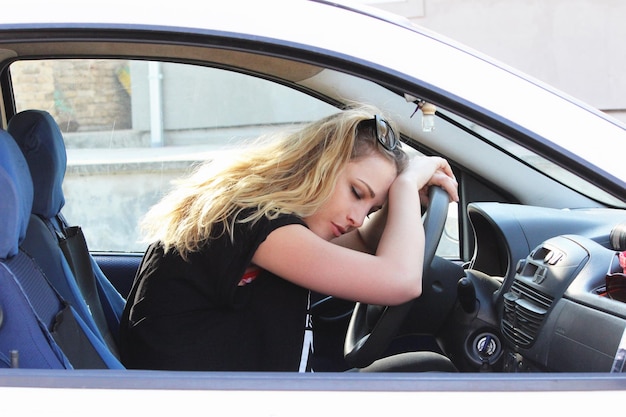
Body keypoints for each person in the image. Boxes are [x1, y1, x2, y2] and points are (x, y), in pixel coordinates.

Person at [118, 104, 458, 372]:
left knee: (429, 369)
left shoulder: (265, 220)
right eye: (357, 192)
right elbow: (401, 280)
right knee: (434, 375)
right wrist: (404, 186)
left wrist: (403, 199)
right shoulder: (253, 224)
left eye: (372, 208)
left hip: (253, 395)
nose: (358, 218)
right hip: (205, 403)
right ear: (318, 165)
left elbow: (368, 245)